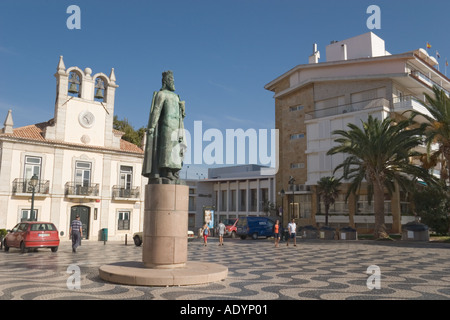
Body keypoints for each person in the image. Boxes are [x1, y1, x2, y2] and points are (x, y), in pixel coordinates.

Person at [142, 70, 186, 183]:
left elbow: (181, 115)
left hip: (176, 127)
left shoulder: (176, 97)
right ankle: (167, 172)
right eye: (171, 80)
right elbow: (156, 110)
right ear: (165, 82)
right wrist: (151, 126)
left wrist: (183, 110)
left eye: (173, 80)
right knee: (167, 149)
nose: (173, 82)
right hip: (166, 125)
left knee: (176, 150)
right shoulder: (161, 94)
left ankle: (174, 171)